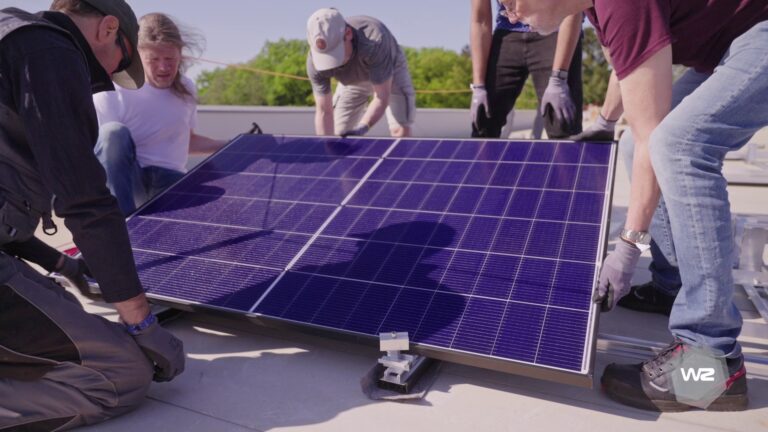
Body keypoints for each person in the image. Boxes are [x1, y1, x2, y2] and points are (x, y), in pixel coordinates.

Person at [503, 0, 768, 412]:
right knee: (631, 144)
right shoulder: (599, 9)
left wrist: (628, 249)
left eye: (509, 1)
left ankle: (710, 363)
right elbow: (629, 70)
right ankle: (672, 283)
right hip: (730, 46)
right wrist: (604, 123)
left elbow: (653, 134)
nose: (509, 15)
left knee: (679, 145)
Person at [0, 1, 185, 429]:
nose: (104, 79)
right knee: (121, 375)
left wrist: (62, 264)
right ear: (108, 29)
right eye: (117, 64)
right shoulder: (49, 51)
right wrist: (142, 323)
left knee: (63, 305)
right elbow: (85, 202)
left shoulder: (11, 36)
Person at [94, 12, 225, 215]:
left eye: (170, 58)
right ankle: (123, 223)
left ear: (180, 55)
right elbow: (108, 155)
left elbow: (186, 142)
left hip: (171, 182)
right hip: (132, 182)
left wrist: (240, 146)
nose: (163, 67)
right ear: (138, 56)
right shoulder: (113, 90)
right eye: (153, 59)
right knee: (112, 132)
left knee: (222, 196)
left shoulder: (187, 89)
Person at [470, 0, 583, 139]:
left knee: (561, 120)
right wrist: (479, 86)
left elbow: (573, 7)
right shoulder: (510, 18)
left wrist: (559, 78)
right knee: (483, 121)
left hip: (555, 28)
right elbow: (480, 19)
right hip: (507, 34)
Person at [306, 8, 416, 138]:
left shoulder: (375, 40)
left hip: (390, 72)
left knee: (400, 131)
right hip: (352, 82)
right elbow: (324, 111)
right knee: (339, 134)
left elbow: (382, 97)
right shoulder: (315, 64)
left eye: (335, 53)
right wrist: (325, 145)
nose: (333, 63)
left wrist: (363, 127)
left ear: (348, 34)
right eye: (327, 57)